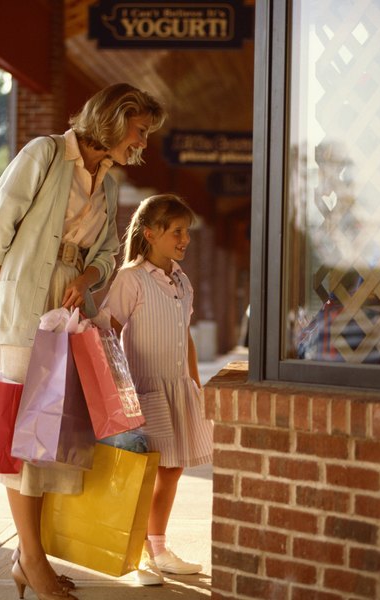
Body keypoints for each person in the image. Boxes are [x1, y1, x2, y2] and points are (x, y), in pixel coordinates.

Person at [0, 83, 166, 600]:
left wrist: (87, 280)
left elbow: (108, 252)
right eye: (140, 130)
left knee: (47, 438)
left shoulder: (107, 186)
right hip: (22, 306)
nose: (142, 143)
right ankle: (32, 562)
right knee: (22, 436)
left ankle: (28, 557)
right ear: (116, 118)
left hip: (67, 314)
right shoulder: (45, 153)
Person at [101, 193, 213, 586]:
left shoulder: (181, 280)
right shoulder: (131, 278)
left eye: (187, 232)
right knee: (148, 471)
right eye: (177, 232)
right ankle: (141, 556)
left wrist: (196, 385)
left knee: (174, 467)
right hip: (145, 389)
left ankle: (158, 547)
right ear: (150, 233)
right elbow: (108, 331)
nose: (185, 239)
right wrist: (118, 390)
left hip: (177, 388)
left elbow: (186, 336)